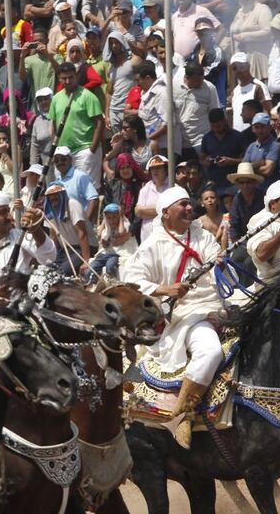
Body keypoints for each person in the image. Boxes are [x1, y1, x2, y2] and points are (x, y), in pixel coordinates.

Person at [121, 186, 224, 449]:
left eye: (190, 203)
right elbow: (131, 280)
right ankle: (184, 415)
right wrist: (166, 289)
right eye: (183, 204)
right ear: (166, 213)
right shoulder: (153, 244)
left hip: (219, 305)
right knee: (211, 352)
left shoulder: (203, 236)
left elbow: (217, 263)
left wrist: (224, 263)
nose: (190, 208)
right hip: (186, 314)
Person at [52, 62, 105, 180]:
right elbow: (53, 125)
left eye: (70, 77)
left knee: (88, 188)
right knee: (64, 189)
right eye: (64, 78)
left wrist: (92, 150)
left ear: (76, 76)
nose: (67, 81)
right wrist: (55, 148)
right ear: (59, 78)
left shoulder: (88, 96)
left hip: (85, 150)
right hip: (63, 152)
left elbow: (100, 122)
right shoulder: (55, 99)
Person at [173, 62, 222, 159]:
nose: (200, 84)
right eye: (196, 81)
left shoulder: (209, 88)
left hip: (200, 141)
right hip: (179, 142)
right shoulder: (174, 86)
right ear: (187, 77)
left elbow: (215, 114)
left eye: (202, 80)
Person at [231, 0, 274, 80]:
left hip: (258, 58)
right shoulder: (239, 13)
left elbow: (268, 32)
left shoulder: (262, 9)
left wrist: (245, 36)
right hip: (241, 61)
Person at [90, 203, 136, 279]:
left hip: (117, 254)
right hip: (106, 254)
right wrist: (104, 222)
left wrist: (121, 217)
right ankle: (93, 284)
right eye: (109, 218)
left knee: (110, 265)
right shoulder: (107, 228)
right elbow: (99, 235)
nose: (112, 220)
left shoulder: (124, 224)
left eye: (114, 217)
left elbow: (121, 232)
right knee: (92, 267)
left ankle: (112, 283)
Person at [227, 162, 267, 242]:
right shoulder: (237, 200)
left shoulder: (264, 197)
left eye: (248, 182)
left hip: (264, 236)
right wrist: (237, 245)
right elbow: (234, 225)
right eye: (242, 182)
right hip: (243, 240)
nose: (245, 185)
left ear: (254, 182)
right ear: (237, 184)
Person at [136, 155, 171, 243]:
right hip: (147, 237)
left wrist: (147, 211)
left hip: (166, 237)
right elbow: (138, 212)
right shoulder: (145, 189)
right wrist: (162, 210)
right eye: (152, 168)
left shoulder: (172, 186)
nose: (155, 171)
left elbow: (172, 211)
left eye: (158, 167)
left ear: (165, 169)